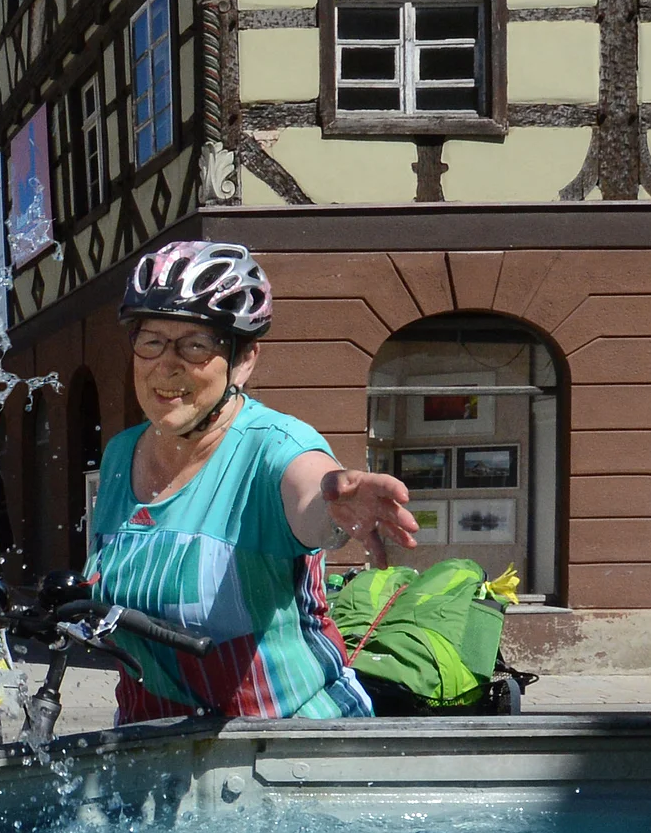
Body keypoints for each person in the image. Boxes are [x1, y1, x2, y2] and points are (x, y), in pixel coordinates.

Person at [87, 240, 417, 723]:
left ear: (243, 360)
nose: (167, 364)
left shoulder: (274, 445)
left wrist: (333, 509)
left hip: (289, 743)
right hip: (151, 745)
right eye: (151, 341)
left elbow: (310, 492)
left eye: (196, 345)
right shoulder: (120, 454)